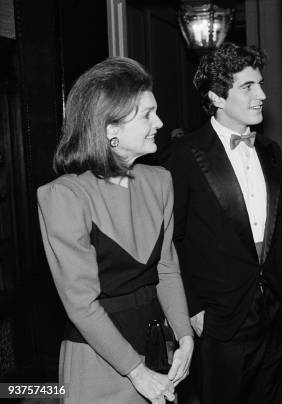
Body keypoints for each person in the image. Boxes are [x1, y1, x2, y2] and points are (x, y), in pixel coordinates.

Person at [37, 57, 194, 404]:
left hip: (157, 347)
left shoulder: (160, 181)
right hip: (99, 360)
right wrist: (136, 372)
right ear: (111, 130)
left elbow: (166, 269)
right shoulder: (65, 195)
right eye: (147, 114)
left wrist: (184, 337)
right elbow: (81, 304)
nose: (160, 122)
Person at [162, 42, 282, 403]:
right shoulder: (184, 155)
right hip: (219, 316)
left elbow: (278, 229)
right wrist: (192, 308)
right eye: (248, 87)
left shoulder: (270, 150)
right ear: (217, 97)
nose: (262, 95)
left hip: (274, 309)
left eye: (260, 84)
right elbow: (171, 240)